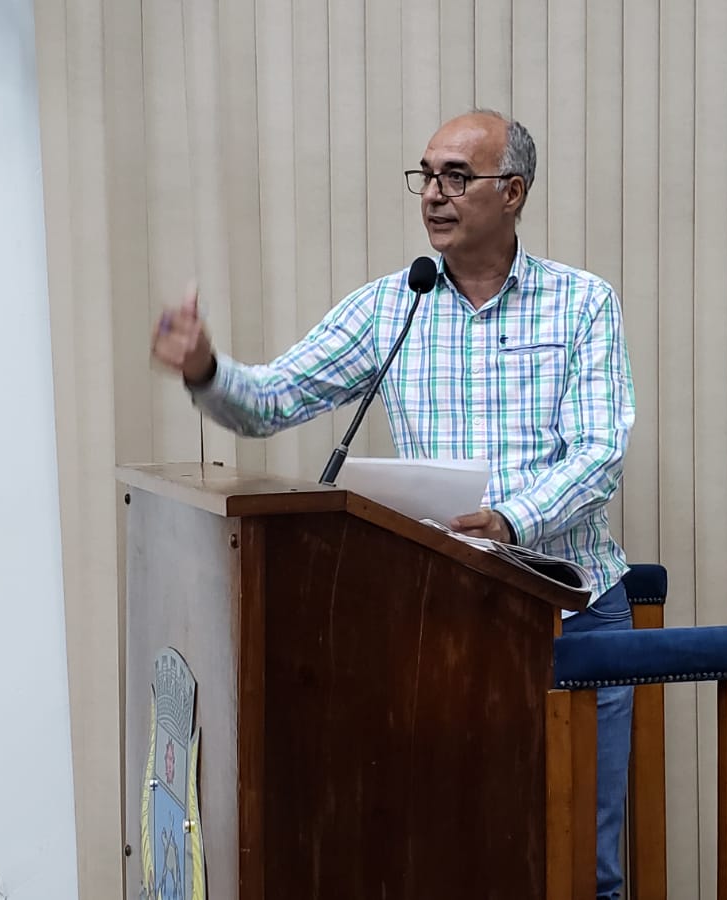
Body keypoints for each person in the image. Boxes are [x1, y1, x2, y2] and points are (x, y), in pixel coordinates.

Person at [151, 110, 637, 899]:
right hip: (438, 618)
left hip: (569, 611)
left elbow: (600, 450)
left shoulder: (582, 303)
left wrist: (511, 521)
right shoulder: (392, 306)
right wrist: (207, 369)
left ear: (513, 192)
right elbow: (271, 401)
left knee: (584, 865)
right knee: (455, 852)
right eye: (426, 175)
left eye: (456, 177)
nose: (433, 194)